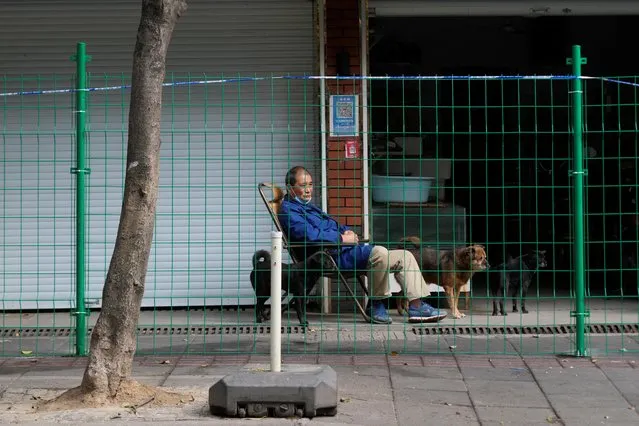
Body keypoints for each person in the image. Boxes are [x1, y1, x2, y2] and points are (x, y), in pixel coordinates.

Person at [277, 165, 447, 324]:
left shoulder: (309, 208)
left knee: (405, 255)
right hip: (328, 256)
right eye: (303, 185)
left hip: (344, 250)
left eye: (311, 184)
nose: (308, 190)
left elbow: (333, 226)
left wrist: (347, 231)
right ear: (290, 188)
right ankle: (376, 305)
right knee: (379, 252)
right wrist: (342, 239)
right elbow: (310, 236)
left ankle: (417, 307)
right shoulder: (289, 211)